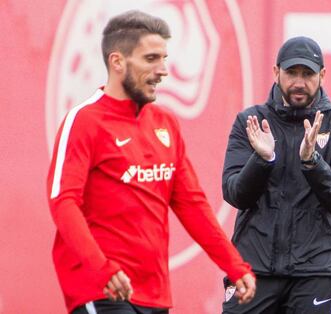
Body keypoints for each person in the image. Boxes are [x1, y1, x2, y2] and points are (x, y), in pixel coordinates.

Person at [47, 10, 256, 314]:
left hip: (154, 293)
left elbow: (191, 204)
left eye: (163, 58)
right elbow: (63, 202)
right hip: (102, 288)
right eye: (150, 59)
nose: (163, 70)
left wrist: (235, 267)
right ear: (117, 62)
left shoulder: (165, 123)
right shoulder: (84, 121)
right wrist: (101, 268)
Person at [221, 36, 331, 313]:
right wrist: (262, 160)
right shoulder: (250, 122)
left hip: (315, 272)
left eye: (308, 74)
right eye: (291, 73)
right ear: (276, 73)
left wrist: (313, 162)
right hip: (254, 269)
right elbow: (234, 193)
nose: (299, 82)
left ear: (322, 75)